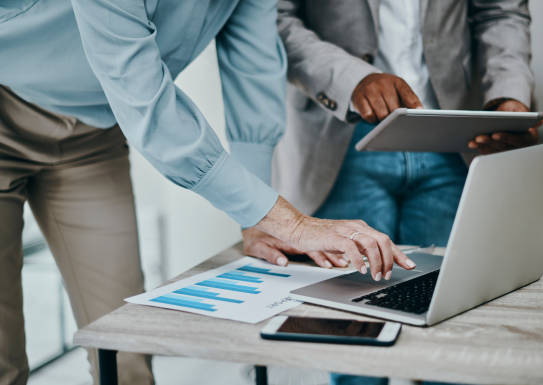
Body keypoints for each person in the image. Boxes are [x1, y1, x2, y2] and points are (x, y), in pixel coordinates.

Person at [0, 1, 415, 384]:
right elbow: (145, 99)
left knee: (126, 352)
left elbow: (253, 69)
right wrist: (291, 222)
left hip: (91, 139)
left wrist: (258, 223)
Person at [242, 1, 539, 384]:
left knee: (451, 337)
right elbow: (274, 17)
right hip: (341, 137)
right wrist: (351, 78)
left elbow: (502, 11)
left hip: (454, 133)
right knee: (355, 347)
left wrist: (508, 94)